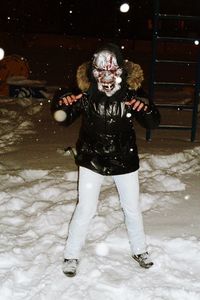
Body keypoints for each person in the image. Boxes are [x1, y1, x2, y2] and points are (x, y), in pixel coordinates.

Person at [51, 43, 160, 277]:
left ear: (121, 70)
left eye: (112, 69)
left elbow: (153, 122)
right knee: (85, 208)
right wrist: (62, 102)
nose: (107, 76)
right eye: (101, 70)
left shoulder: (132, 94)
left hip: (124, 158)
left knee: (132, 208)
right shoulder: (86, 93)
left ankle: (140, 250)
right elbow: (63, 118)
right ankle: (71, 254)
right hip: (93, 158)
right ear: (93, 71)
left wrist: (147, 109)